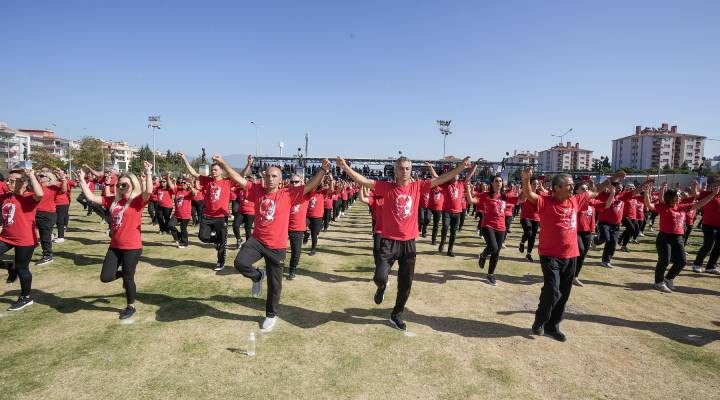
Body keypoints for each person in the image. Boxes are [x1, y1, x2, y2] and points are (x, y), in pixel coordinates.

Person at [338, 155, 470, 331]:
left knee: (406, 284)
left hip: (408, 243)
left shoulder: (417, 186)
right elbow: (364, 180)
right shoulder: (386, 187)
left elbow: (441, 179)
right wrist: (346, 168)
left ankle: (396, 314)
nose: (404, 171)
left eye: (407, 168)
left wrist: (460, 168)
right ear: (395, 170)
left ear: (411, 170)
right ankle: (382, 286)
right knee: (379, 276)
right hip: (388, 242)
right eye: (401, 168)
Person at [521, 167, 624, 342]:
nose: (572, 187)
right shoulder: (545, 201)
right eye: (569, 185)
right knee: (552, 291)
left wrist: (612, 178)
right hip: (549, 254)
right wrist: (526, 179)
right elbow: (530, 195)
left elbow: (595, 191)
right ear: (557, 188)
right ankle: (540, 321)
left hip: (570, 254)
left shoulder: (575, 201)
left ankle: (553, 326)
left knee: (564, 293)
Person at [228, 155, 330, 331]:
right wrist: (223, 163)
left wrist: (322, 170)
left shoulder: (288, 194)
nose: (270, 179)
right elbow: (238, 179)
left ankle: (270, 315)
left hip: (277, 246)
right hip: (258, 240)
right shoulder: (257, 190)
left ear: (281, 180)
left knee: (275, 285)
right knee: (240, 262)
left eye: (274, 176)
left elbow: (310, 186)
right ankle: (257, 276)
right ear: (264, 177)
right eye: (268, 175)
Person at [77, 161, 153, 319]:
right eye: (119, 185)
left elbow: (149, 192)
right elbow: (90, 197)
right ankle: (125, 275)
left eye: (124, 185)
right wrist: (82, 180)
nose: (120, 187)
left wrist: (148, 173)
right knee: (106, 277)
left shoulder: (138, 200)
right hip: (115, 246)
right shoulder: (113, 200)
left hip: (132, 247)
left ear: (132, 185)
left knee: (129, 277)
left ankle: (130, 306)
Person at [644, 183, 718, 292]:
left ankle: (668, 278)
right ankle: (658, 282)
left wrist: (713, 195)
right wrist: (646, 193)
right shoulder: (663, 206)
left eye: (679, 195)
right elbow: (649, 205)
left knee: (682, 261)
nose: (679, 197)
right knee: (664, 261)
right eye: (677, 196)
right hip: (665, 238)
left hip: (678, 238)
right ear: (670, 197)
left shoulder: (682, 207)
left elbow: (699, 204)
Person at [178, 152, 232, 271]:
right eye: (212, 170)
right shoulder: (207, 181)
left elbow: (240, 175)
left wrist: (249, 164)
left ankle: (220, 262)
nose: (213, 172)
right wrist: (184, 159)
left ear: (221, 171)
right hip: (207, 215)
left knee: (222, 242)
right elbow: (193, 172)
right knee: (202, 236)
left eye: (216, 170)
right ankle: (216, 241)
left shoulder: (227, 182)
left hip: (221, 216)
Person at [1, 168, 44, 311]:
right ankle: (9, 267)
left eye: (12, 181)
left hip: (25, 240)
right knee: (16, 267)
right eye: (8, 180)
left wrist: (31, 175)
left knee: (22, 269)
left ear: (23, 183)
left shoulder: (29, 197)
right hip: (6, 237)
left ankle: (26, 297)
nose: (8, 183)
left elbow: (40, 193)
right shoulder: (6, 196)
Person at [465, 174, 518, 286]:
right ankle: (483, 255)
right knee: (493, 248)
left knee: (496, 252)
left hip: (501, 227)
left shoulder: (505, 196)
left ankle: (490, 275)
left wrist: (526, 182)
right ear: (492, 183)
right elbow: (471, 201)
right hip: (488, 225)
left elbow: (521, 199)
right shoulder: (485, 195)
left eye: (500, 181)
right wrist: (468, 189)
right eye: (496, 181)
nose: (499, 183)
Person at [574, 181, 614, 287]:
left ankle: (574, 276)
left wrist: (612, 194)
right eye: (582, 189)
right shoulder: (574, 201)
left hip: (588, 232)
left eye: (586, 189)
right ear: (576, 190)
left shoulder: (592, 202)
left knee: (582, 255)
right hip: (575, 232)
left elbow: (606, 205)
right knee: (580, 251)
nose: (585, 191)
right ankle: (568, 273)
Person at [34, 169, 67, 265]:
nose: (39, 177)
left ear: (48, 178)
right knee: (35, 233)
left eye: (42, 176)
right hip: (36, 213)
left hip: (47, 214)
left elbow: (64, 190)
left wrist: (63, 178)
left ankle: (47, 256)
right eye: (39, 175)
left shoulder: (53, 187)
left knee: (45, 237)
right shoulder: (36, 187)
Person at [690, 182, 720, 274]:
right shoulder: (707, 193)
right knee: (708, 246)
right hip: (708, 225)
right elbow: (695, 194)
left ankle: (711, 266)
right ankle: (697, 264)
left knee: (718, 247)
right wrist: (694, 186)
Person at [517, 178, 547, 262]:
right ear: (530, 184)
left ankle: (528, 254)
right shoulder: (525, 192)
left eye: (537, 184)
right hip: (525, 216)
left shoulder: (540, 193)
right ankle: (522, 243)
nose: (535, 185)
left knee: (533, 237)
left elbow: (549, 195)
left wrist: (542, 188)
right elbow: (519, 200)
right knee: (528, 232)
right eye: (534, 183)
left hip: (536, 218)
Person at [169, 178, 197, 248]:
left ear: (187, 185)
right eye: (182, 183)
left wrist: (190, 186)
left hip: (185, 215)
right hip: (177, 214)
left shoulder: (189, 192)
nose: (183, 184)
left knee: (183, 228)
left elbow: (195, 193)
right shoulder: (178, 190)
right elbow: (171, 185)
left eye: (185, 183)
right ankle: (178, 237)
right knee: (170, 225)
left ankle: (185, 243)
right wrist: (167, 177)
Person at [53, 168, 76, 244]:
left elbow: (76, 184)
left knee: (60, 220)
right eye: (59, 173)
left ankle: (61, 236)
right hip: (54, 203)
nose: (60, 174)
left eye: (62, 173)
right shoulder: (55, 181)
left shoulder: (67, 181)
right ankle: (52, 234)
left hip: (63, 203)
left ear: (66, 174)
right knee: (54, 220)